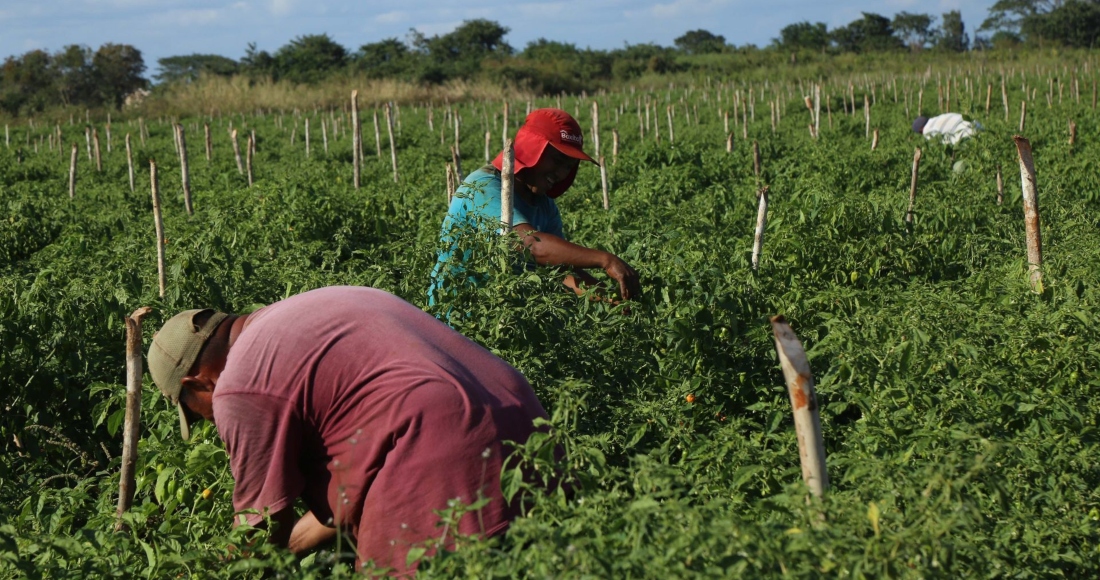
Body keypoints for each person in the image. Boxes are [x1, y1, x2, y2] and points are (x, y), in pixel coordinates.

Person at [146, 286, 549, 574]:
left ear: (196, 384)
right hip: (530, 430)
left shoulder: (239, 384)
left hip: (443, 455)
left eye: (196, 413)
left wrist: (211, 571)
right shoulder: (314, 306)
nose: (209, 422)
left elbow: (261, 526)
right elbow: (357, 481)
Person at [429, 108, 640, 305]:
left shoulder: (544, 205)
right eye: (557, 160)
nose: (560, 173)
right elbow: (532, 245)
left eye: (568, 167)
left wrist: (611, 300)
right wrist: (606, 260)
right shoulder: (483, 187)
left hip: (504, 320)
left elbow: (560, 271)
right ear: (532, 148)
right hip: (456, 318)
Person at [912, 113, 980, 145]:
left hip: (967, 135)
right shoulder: (938, 118)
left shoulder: (927, 131)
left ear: (921, 129)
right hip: (977, 125)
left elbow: (937, 145)